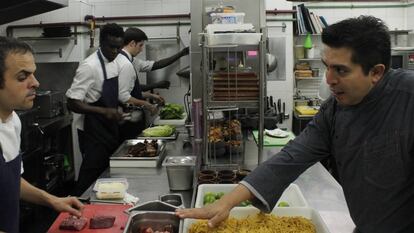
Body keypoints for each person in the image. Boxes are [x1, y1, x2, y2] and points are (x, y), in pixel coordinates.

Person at [176, 15, 414, 233]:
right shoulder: (334, 109)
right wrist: (225, 203)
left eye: (341, 70)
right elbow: (291, 157)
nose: (329, 80)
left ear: (376, 72)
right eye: (326, 66)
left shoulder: (408, 99)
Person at [0, 36, 83, 233]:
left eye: (33, 74)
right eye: (22, 77)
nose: (35, 83)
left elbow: (12, 181)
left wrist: (53, 200)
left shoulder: (13, 121)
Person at [66, 23, 124, 196]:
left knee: (106, 174)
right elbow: (72, 102)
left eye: (118, 48)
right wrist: (104, 111)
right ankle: (76, 208)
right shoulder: (89, 66)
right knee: (89, 176)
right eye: (111, 47)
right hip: (93, 131)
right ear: (101, 43)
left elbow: (109, 94)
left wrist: (119, 109)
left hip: (109, 128)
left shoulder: (114, 62)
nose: (115, 51)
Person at [116, 27, 188, 140]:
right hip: (125, 117)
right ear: (132, 43)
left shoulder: (130, 60)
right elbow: (123, 96)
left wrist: (150, 95)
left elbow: (156, 65)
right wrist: (147, 104)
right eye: (140, 45)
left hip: (128, 117)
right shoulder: (125, 64)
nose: (141, 50)